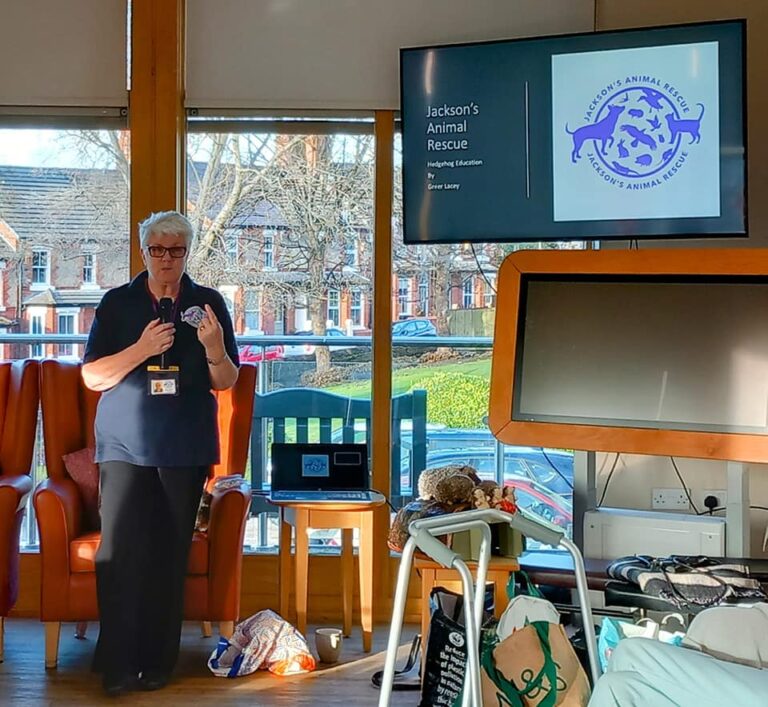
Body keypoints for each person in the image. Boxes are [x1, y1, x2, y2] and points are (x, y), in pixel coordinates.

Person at [82, 210, 239, 696]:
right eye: (158, 250)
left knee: (169, 555)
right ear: (144, 251)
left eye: (176, 250)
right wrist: (142, 349)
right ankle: (117, 659)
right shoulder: (117, 303)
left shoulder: (207, 303)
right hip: (124, 445)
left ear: (187, 253)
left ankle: (157, 660)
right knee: (119, 552)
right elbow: (92, 376)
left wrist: (214, 346)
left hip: (183, 447)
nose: (167, 259)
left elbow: (226, 380)